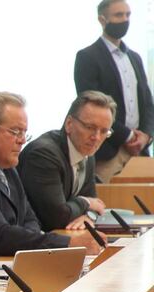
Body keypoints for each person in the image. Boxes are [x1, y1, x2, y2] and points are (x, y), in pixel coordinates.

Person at [0, 92, 105, 262]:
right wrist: (67, 243)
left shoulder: (6, 164)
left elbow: (29, 218)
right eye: (16, 132)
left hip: (5, 264)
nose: (22, 141)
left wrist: (36, 238)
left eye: (24, 133)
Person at [74, 0, 154, 182]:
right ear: (102, 20)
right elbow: (90, 106)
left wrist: (146, 135)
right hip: (108, 149)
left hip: (139, 151)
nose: (125, 20)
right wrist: (127, 135)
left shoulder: (135, 57)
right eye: (119, 15)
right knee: (110, 204)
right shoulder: (87, 57)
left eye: (128, 15)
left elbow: (148, 103)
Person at [19, 91, 116, 231]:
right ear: (69, 124)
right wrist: (85, 202)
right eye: (90, 128)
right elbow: (56, 217)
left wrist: (88, 217)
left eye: (104, 131)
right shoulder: (44, 154)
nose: (96, 137)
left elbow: (97, 205)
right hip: (35, 241)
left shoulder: (88, 154)